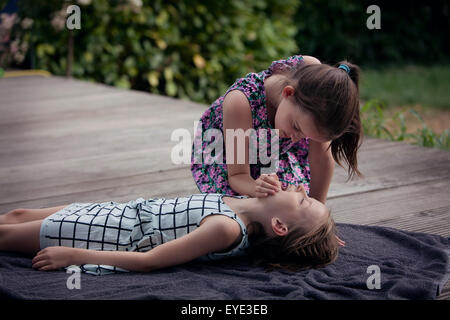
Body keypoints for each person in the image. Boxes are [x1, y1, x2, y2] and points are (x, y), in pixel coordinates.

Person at [0, 178, 344, 276]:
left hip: (106, 233)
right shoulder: (247, 200)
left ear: (280, 226)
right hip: (117, 212)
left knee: (6, 236)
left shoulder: (226, 229)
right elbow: (252, 189)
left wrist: (72, 256)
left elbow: (151, 260)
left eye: (303, 200)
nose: (300, 189)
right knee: (17, 214)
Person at [191, 54, 362, 204]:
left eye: (306, 136)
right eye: (296, 128)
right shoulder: (240, 102)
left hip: (271, 150)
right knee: (248, 216)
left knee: (290, 206)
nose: (296, 140)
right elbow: (237, 176)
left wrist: (316, 214)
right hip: (229, 157)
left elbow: (321, 160)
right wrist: (256, 188)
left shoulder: (319, 92)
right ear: (288, 93)